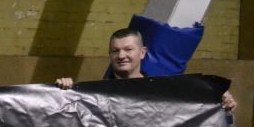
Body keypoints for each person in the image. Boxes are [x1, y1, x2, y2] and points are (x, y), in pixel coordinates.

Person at [56, 28, 236, 111]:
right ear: (110, 55)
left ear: (142, 53)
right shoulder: (94, 95)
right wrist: (63, 92)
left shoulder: (163, 92)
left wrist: (217, 101)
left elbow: (194, 111)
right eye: (115, 51)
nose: (121, 55)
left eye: (128, 49)